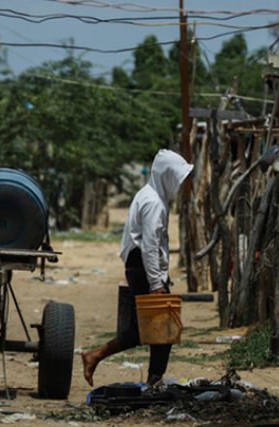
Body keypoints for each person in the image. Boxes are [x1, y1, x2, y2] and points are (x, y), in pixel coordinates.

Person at [81, 148, 193, 387]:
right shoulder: (154, 203)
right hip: (143, 268)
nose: (180, 185)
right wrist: (156, 284)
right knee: (162, 328)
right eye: (177, 178)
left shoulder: (149, 196)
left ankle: (99, 357)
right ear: (167, 175)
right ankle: (152, 379)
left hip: (139, 267)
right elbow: (150, 246)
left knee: (145, 329)